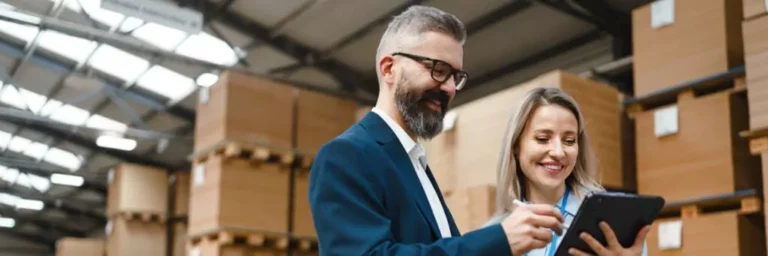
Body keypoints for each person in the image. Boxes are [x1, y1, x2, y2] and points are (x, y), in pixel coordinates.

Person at [307, 5, 572, 256]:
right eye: (438, 70)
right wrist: (498, 241)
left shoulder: (413, 161)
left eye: (455, 76)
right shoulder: (347, 156)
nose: (449, 88)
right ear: (389, 69)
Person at [483, 87, 650, 256]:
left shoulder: (613, 219)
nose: (558, 152)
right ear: (516, 147)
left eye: (569, 141)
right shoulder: (494, 235)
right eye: (542, 139)